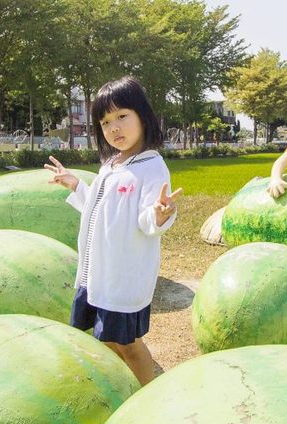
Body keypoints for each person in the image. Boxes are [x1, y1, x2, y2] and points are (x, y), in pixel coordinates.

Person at [43, 77, 181, 386]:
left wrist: (160, 214)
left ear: (143, 116)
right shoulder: (111, 164)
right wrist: (76, 184)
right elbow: (99, 209)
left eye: (122, 116)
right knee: (105, 339)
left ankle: (147, 394)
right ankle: (124, 387)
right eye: (105, 122)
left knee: (129, 344)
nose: (114, 127)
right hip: (97, 274)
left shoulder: (151, 166)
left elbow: (147, 221)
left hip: (123, 277)